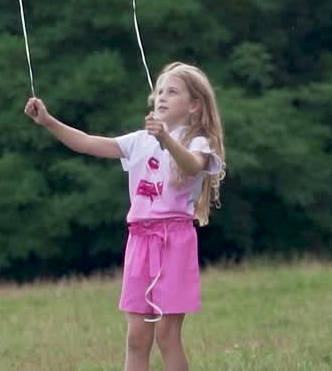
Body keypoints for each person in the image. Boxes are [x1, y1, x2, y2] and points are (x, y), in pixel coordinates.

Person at [25, 62, 226, 371]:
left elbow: (192, 166)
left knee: (167, 336)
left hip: (174, 240)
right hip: (139, 241)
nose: (161, 97)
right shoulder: (138, 141)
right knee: (137, 337)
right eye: (159, 91)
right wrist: (49, 121)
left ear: (194, 105)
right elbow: (87, 143)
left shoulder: (198, 142)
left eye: (172, 92)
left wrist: (167, 140)